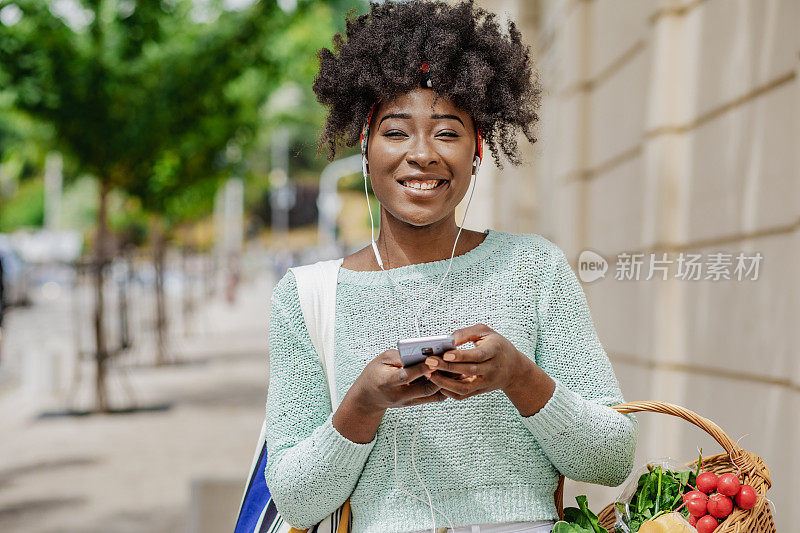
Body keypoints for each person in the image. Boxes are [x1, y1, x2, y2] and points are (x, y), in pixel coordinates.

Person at [264, 2, 638, 532]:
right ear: (364, 148)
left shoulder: (535, 269)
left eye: (447, 132)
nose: (422, 154)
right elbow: (296, 500)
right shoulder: (306, 297)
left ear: (477, 147)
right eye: (395, 132)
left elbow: (611, 458)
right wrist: (363, 405)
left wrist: (518, 376)